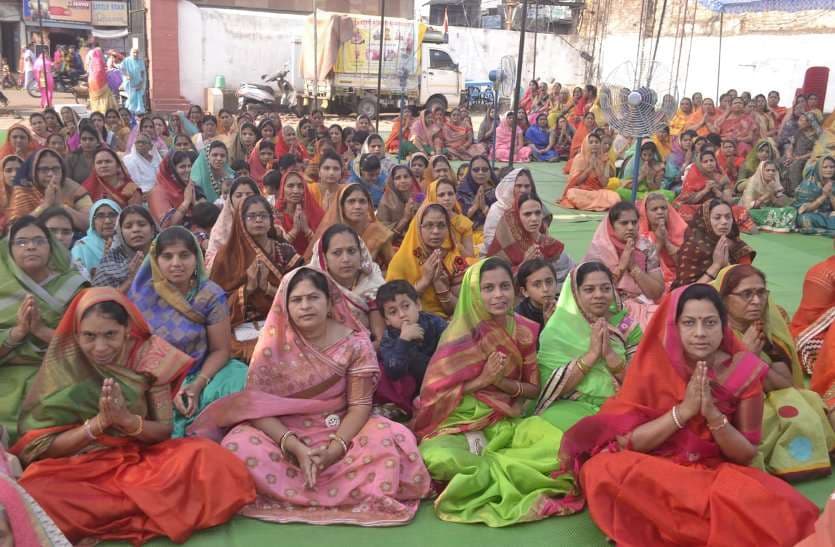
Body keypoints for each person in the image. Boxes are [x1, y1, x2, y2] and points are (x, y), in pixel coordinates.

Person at [554, 284, 820, 546]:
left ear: (723, 324)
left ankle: (670, 520)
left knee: (775, 511)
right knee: (602, 469)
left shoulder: (743, 371)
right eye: (689, 323)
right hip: (656, 465)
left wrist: (713, 415)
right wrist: (683, 412)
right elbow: (629, 442)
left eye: (710, 323)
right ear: (674, 326)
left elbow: (746, 453)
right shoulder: (654, 365)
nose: (700, 333)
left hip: (710, 471)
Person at [11, 288, 256, 544]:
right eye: (89, 336)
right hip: (80, 464)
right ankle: (138, 508)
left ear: (127, 329)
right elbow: (41, 447)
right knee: (35, 489)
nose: (100, 347)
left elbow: (163, 431)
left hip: (139, 461)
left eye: (110, 335)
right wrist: (98, 425)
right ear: (76, 334)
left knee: (210, 459)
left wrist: (127, 421)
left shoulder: (153, 357)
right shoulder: (66, 360)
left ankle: (107, 513)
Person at [190, 267, 430, 525]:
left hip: (342, 427)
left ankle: (302, 488)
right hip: (283, 430)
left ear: (329, 303)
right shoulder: (272, 345)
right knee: (237, 446)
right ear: (285, 305)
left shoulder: (355, 343)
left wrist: (334, 449)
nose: (305, 306)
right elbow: (257, 408)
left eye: (313, 297)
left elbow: (360, 406)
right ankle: (346, 490)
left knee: (393, 439)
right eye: (297, 300)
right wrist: (294, 447)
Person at [414, 258, 574, 526]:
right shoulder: (459, 334)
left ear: (514, 290)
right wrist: (483, 380)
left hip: (505, 419)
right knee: (437, 457)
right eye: (488, 288)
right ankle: (499, 468)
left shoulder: (524, 329)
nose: (498, 295)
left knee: (559, 445)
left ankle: (490, 467)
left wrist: (501, 384)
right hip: (457, 423)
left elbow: (533, 390)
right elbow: (433, 396)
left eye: (504, 287)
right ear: (474, 292)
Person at [709, 264, 835, 479]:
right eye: (746, 294)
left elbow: (785, 382)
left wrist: (753, 360)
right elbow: (721, 390)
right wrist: (746, 359)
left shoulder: (764, 329)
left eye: (761, 293)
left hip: (767, 394)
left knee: (808, 400)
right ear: (724, 298)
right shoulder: (712, 333)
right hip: (726, 406)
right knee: (768, 414)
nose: (757, 301)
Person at [128, 227, 249, 437]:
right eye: (167, 256)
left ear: (197, 258)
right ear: (156, 260)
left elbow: (221, 350)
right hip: (156, 378)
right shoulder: (143, 296)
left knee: (239, 381)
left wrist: (197, 384)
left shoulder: (210, 295)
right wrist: (168, 388)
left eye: (184, 255)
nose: (176, 263)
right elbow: (136, 352)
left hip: (205, 373)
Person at [0, 215, 87, 442]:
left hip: (60, 369)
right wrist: (17, 332)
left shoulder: (74, 287)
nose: (31, 246)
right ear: (8, 251)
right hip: (8, 370)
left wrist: (40, 331)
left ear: (51, 247)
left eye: (39, 241)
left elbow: (93, 343)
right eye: (21, 242)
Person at [534, 261, 642, 428]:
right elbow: (549, 385)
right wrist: (591, 355)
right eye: (589, 289)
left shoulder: (625, 325)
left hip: (620, 402)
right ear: (575, 293)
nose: (599, 295)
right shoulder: (557, 330)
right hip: (571, 405)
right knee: (551, 425)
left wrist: (610, 356)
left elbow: (640, 383)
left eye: (606, 288)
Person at [210, 195, 301, 361]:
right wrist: (248, 289)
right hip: (239, 327)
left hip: (282, 321)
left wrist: (268, 288)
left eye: (263, 215)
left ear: (271, 219)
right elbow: (214, 304)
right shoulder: (227, 256)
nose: (258, 220)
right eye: (251, 216)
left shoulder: (285, 251)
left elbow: (300, 295)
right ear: (241, 220)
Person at [386, 203, 474, 319]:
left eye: (441, 225)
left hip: (448, 322)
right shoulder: (402, 260)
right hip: (411, 322)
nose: (436, 231)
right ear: (418, 228)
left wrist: (438, 283)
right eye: (429, 225)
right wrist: (425, 281)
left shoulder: (454, 259)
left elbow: (461, 308)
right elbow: (392, 306)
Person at [584, 201, 664, 328]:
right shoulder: (599, 249)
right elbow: (595, 291)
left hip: (642, 303)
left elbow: (656, 292)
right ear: (612, 226)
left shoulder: (645, 247)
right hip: (608, 307)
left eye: (634, 222)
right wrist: (622, 265)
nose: (630, 227)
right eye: (624, 223)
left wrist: (633, 266)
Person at [375, 280, 447, 419]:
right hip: (413, 390)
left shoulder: (434, 322)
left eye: (406, 306)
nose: (402, 314)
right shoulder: (389, 338)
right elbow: (394, 372)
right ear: (387, 320)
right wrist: (403, 341)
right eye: (393, 311)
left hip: (442, 375)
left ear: (418, 305)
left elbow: (452, 347)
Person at [308, 223, 386, 346]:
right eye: (337, 253)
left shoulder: (372, 280)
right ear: (324, 258)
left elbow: (379, 340)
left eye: (351, 251)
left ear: (361, 253)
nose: (346, 259)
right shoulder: (313, 287)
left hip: (366, 353)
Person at [486, 191, 573, 284]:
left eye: (538, 213)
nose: (534, 218)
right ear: (517, 217)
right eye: (527, 214)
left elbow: (565, 279)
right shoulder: (506, 239)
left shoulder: (551, 245)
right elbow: (494, 278)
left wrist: (542, 264)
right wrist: (525, 264)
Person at [674, 199, 755, 287]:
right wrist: (716, 266)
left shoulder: (738, 247)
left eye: (728, 217)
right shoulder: (692, 248)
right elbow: (686, 292)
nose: (724, 222)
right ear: (706, 220)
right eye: (717, 218)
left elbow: (748, 282)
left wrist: (727, 267)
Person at [7, 148, 91, 231]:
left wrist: (61, 206)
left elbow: (90, 224)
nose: (50, 174)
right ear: (34, 171)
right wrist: (45, 205)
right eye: (44, 169)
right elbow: (13, 230)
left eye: (56, 169)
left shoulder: (73, 188)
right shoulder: (24, 190)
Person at [674, 148, 755, 232]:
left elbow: (729, 201)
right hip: (699, 207)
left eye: (711, 160)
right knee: (683, 210)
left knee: (739, 210)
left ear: (715, 161)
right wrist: (705, 190)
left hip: (719, 207)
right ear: (700, 164)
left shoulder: (721, 176)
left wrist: (717, 192)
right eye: (705, 162)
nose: (709, 163)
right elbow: (687, 199)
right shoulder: (694, 175)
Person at [91, 204, 156, 293]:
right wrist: (131, 278)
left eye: (141, 224)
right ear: (120, 233)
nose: (135, 229)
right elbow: (100, 300)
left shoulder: (166, 254)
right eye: (128, 226)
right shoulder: (111, 262)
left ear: (152, 230)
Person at [204, 177, 259, 269]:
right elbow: (210, 260)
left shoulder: (266, 221)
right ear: (230, 199)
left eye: (249, 194)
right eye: (238, 195)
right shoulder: (221, 228)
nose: (244, 198)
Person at [560, 131, 620, 211]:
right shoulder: (580, 158)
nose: (594, 144)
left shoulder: (605, 160)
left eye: (597, 142)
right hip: (582, 190)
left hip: (597, 191)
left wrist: (596, 166)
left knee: (615, 197)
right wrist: (589, 168)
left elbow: (604, 184)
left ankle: (590, 204)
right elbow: (575, 181)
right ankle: (599, 205)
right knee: (572, 193)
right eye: (591, 142)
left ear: (600, 145)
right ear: (586, 144)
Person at [638, 192, 686, 288]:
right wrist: (659, 242)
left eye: (663, 208)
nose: (660, 212)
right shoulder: (640, 235)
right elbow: (643, 266)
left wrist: (666, 241)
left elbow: (684, 264)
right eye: (654, 209)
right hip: (652, 279)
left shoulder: (681, 230)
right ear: (645, 213)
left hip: (680, 276)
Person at [148, 151, 204, 229]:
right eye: (182, 167)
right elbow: (168, 226)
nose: (188, 170)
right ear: (170, 170)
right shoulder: (158, 193)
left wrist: (195, 203)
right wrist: (186, 202)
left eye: (189, 166)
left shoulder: (190, 187)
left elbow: (206, 217)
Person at [274, 169, 324, 255]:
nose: (296, 191)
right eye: (290, 186)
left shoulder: (316, 213)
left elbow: (324, 246)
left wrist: (307, 230)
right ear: (282, 189)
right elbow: (276, 250)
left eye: (300, 186)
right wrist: (295, 230)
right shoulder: (276, 215)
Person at [738, 160, 796, 232]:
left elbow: (779, 203)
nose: (771, 173)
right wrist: (765, 196)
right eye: (767, 170)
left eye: (773, 171)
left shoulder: (773, 183)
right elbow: (747, 206)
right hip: (751, 211)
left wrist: (772, 197)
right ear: (761, 171)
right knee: (751, 214)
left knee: (790, 210)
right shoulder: (753, 183)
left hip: (766, 209)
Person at [70, 199, 121, 278]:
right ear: (92, 222)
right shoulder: (81, 247)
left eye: (112, 215)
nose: (107, 221)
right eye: (100, 216)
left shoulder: (128, 242)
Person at [428, 178, 475, 257]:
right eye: (441, 195)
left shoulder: (463, 223)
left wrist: (456, 244)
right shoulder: (424, 221)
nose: (447, 198)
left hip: (457, 264)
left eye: (450, 194)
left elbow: (470, 256)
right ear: (432, 197)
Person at [376, 164, 420, 246]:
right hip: (394, 246)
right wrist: (405, 218)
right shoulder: (385, 202)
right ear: (392, 181)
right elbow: (384, 238)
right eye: (398, 178)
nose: (403, 181)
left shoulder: (419, 197)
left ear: (412, 179)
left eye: (406, 176)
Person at [794, 154, 835, 236]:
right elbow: (804, 210)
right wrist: (823, 196)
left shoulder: (833, 184)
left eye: (832, 167)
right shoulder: (808, 185)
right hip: (812, 214)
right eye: (825, 167)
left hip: (828, 214)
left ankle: (826, 227)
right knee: (804, 219)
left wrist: (830, 195)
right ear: (818, 168)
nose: (829, 170)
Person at [514, 258, 558, 333]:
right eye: (537, 284)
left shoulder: (565, 307)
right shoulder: (519, 317)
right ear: (525, 291)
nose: (545, 289)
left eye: (549, 282)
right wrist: (548, 325)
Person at [786, 112, 822, 196]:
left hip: (806, 158)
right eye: (799, 120)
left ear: (809, 123)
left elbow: (815, 152)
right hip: (794, 155)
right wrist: (789, 155)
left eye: (802, 120)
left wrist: (798, 158)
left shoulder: (816, 135)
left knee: (795, 166)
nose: (799, 122)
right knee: (781, 162)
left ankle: (795, 192)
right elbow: (791, 145)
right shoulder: (799, 132)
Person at [191, 140, 234, 205]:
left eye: (222, 156)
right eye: (214, 155)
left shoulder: (232, 177)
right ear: (207, 157)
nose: (219, 158)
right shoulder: (197, 182)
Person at [88, 48, 117, 114]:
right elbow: (100, 71)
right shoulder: (99, 60)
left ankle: (96, 111)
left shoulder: (92, 61)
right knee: (105, 97)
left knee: (96, 99)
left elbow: (90, 72)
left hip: (92, 83)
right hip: (100, 83)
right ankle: (104, 111)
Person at [119, 47, 146, 115]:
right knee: (131, 97)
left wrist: (141, 83)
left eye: (137, 52)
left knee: (138, 97)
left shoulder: (140, 61)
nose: (135, 54)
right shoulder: (126, 60)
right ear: (131, 53)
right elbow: (122, 69)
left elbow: (142, 72)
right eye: (134, 52)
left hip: (138, 82)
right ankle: (129, 111)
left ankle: (138, 113)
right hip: (129, 83)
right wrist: (126, 75)